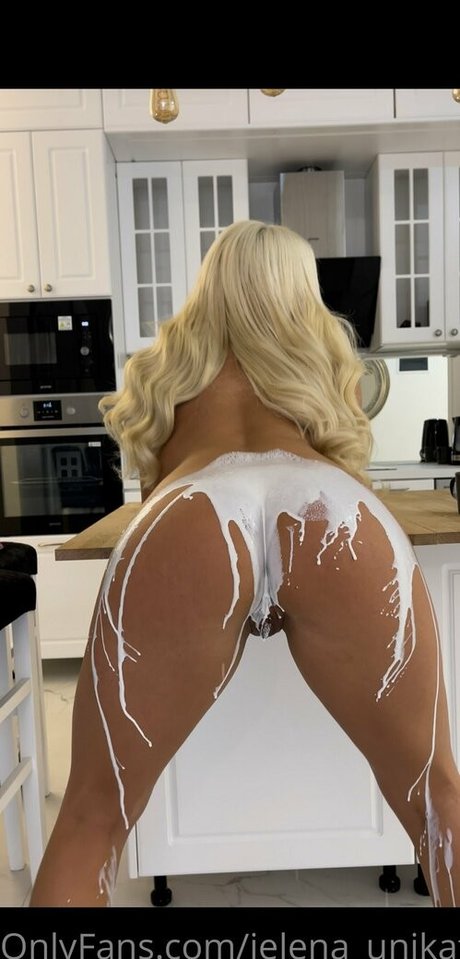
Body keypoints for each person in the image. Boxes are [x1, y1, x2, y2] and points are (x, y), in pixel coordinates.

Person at [30, 219, 460, 908]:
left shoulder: (166, 371)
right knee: (439, 797)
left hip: (194, 510)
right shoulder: (328, 368)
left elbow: (157, 490)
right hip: (329, 512)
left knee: (91, 814)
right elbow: (345, 464)